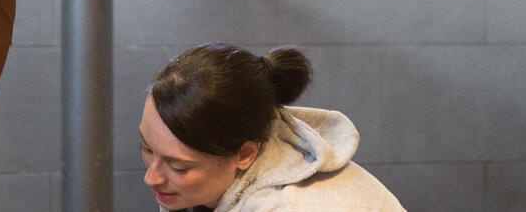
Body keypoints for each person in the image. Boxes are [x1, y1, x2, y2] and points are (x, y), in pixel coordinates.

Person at [139, 43, 404, 211]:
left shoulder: (296, 205)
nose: (151, 178)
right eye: (147, 149)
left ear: (245, 155)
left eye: (178, 167)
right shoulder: (207, 186)